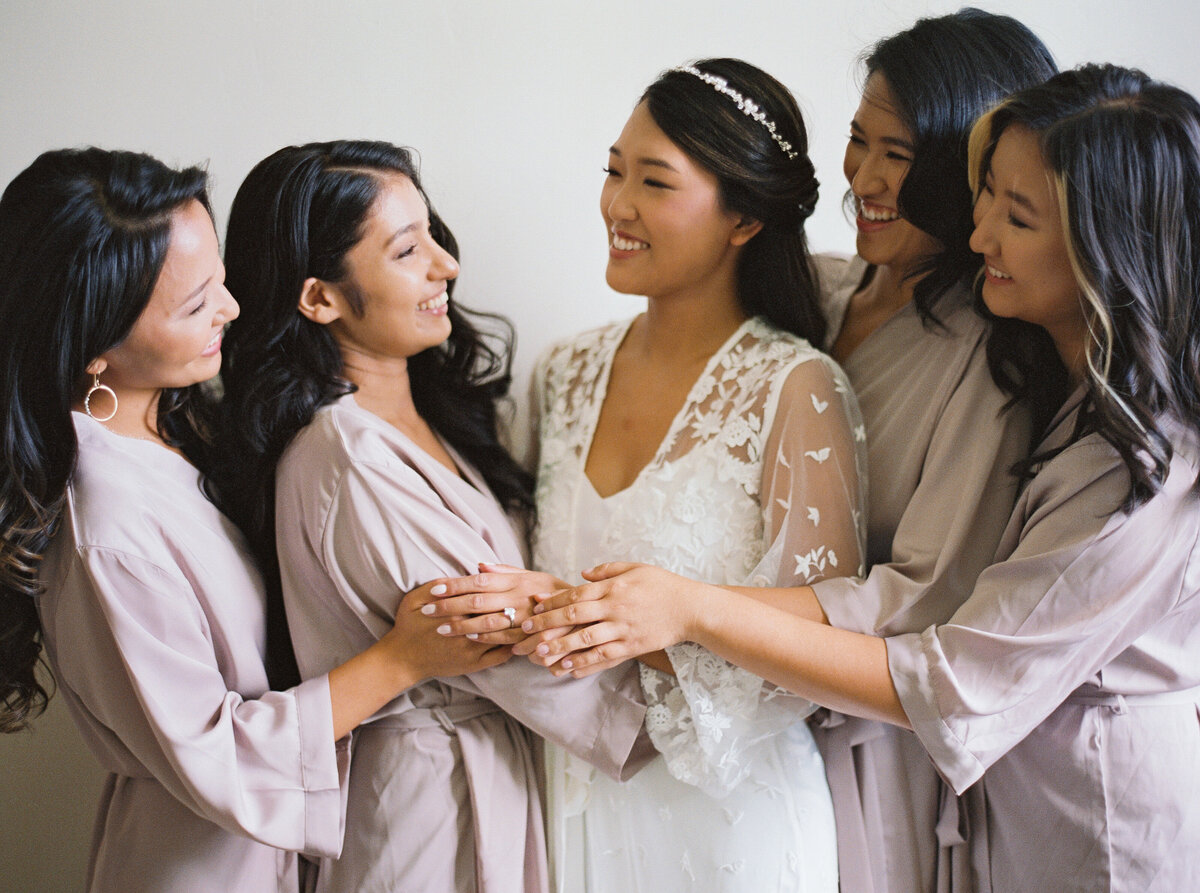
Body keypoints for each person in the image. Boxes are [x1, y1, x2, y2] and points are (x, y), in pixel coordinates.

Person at [520, 64, 1200, 892]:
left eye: (1017, 217)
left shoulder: (1142, 463)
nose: (978, 235)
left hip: (1100, 811)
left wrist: (689, 608)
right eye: (985, 195)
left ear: (1106, 247)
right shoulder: (872, 313)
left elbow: (953, 681)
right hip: (991, 803)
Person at [0, 148, 512, 893]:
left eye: (220, 280)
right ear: (94, 347)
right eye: (195, 305)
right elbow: (216, 753)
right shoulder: (107, 532)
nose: (232, 309)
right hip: (202, 864)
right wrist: (402, 660)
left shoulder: (182, 425)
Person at [439, 59, 864, 891]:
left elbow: (827, 651)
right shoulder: (564, 372)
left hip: (731, 824)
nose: (617, 205)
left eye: (655, 182)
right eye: (614, 171)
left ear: (744, 217)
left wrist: (648, 621)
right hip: (572, 801)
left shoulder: (796, 387)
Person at [215, 139, 653, 893]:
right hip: (425, 809)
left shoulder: (432, 422)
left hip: (484, 774)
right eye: (407, 250)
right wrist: (710, 698)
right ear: (319, 298)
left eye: (434, 236)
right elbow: (499, 641)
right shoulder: (350, 459)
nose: (445, 265)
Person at [804, 11, 1059, 890]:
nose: (864, 178)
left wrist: (707, 615)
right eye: (858, 141)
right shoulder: (819, 290)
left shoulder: (987, 361)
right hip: (743, 716)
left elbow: (921, 597)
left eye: (900, 155)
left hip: (869, 751)